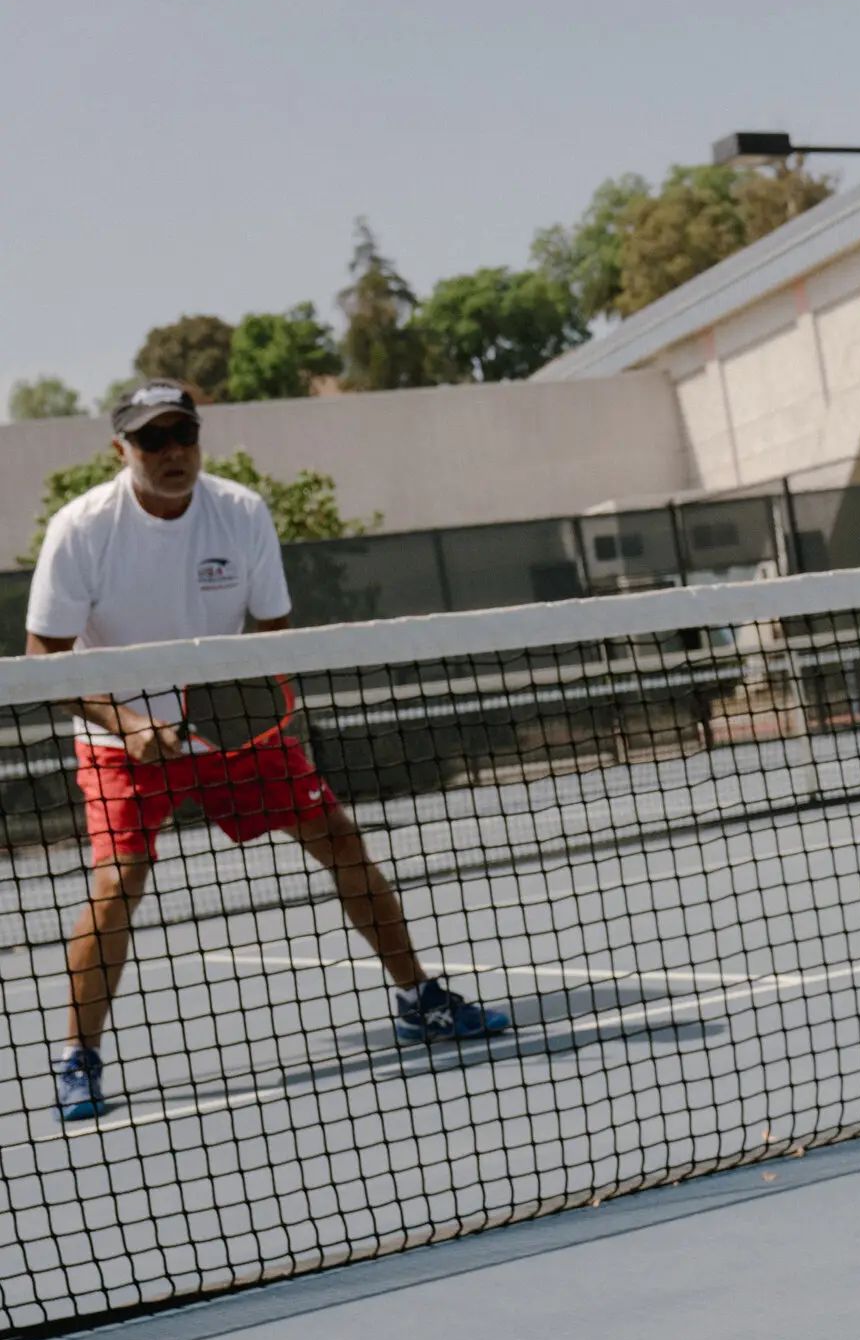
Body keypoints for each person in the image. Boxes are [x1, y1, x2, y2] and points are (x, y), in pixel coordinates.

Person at [28, 381, 511, 1124]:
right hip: (118, 740)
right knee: (118, 882)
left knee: (342, 843)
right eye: (152, 440)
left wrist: (236, 712)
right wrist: (127, 724)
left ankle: (418, 999)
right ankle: (78, 1056)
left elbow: (274, 632)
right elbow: (44, 659)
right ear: (120, 449)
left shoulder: (241, 512)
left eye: (182, 434)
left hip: (231, 734)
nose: (172, 452)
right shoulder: (82, 528)